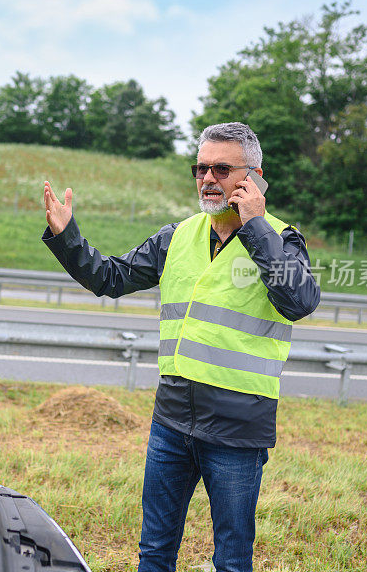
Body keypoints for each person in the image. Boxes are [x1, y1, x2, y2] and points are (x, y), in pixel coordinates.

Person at [41, 122, 320, 572]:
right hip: (171, 420)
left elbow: (300, 302)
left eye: (222, 169)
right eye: (201, 168)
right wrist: (67, 234)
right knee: (154, 550)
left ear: (254, 177)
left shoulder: (280, 240)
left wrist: (254, 225)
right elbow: (108, 278)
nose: (208, 178)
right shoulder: (177, 237)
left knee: (231, 559)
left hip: (236, 428)